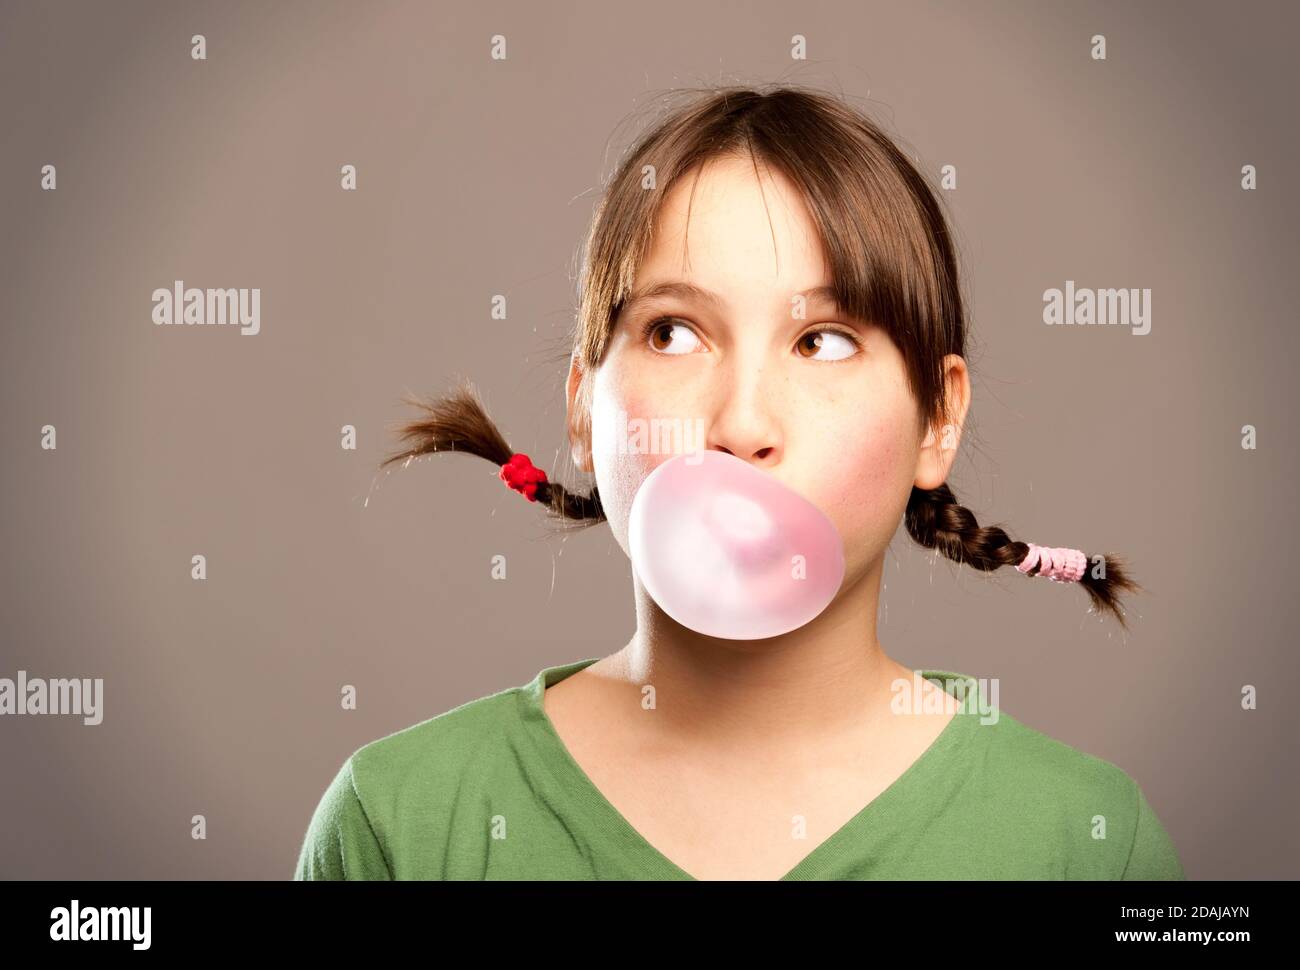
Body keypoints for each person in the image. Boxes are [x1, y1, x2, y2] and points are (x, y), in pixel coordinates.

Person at [293, 84, 1185, 881]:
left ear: (938, 420)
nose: (741, 427)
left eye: (823, 341)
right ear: (581, 408)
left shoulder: (1084, 846)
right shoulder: (401, 827)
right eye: (674, 333)